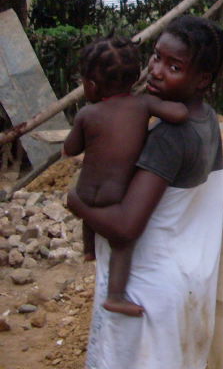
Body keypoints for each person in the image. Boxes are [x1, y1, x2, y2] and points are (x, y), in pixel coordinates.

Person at [66, 15, 223, 369]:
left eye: (173, 66)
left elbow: (125, 227)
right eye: (156, 57)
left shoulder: (168, 138)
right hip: (187, 278)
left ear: (202, 79)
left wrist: (76, 202)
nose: (156, 70)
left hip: (145, 289)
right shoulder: (207, 119)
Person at [62, 37, 189, 317]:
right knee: (123, 243)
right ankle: (116, 296)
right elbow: (179, 114)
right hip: (115, 196)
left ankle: (89, 250)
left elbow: (71, 150)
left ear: (91, 86)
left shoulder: (87, 113)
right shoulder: (142, 104)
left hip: (85, 191)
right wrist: (181, 106)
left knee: (90, 216)